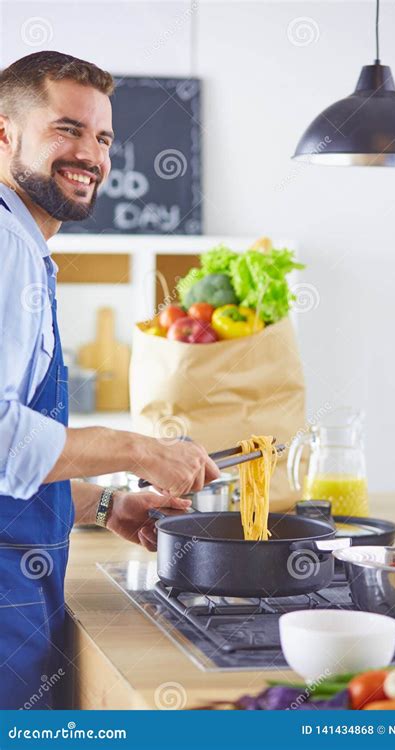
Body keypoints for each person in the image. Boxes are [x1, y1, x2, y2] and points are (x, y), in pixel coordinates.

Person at [0, 50, 219, 709]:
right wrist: (142, 451)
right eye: (66, 129)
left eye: (101, 138)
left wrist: (102, 503)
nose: (90, 156)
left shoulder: (25, 246)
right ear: (4, 132)